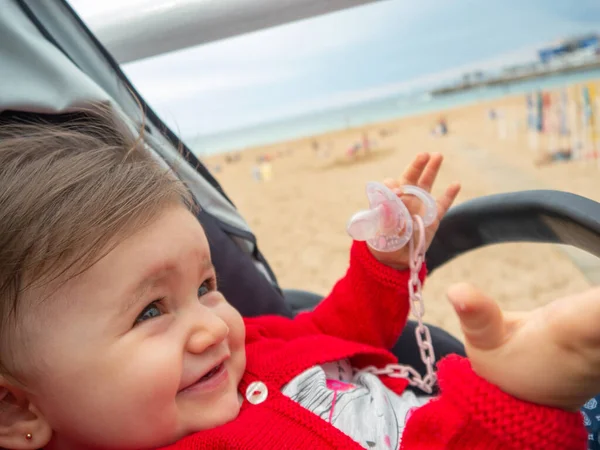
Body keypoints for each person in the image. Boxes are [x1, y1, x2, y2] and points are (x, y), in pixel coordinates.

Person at [0, 103, 590, 450]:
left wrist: (383, 265)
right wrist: (519, 399)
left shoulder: (239, 349)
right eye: (149, 311)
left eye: (206, 287)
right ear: (18, 410)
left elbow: (334, 331)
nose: (211, 327)